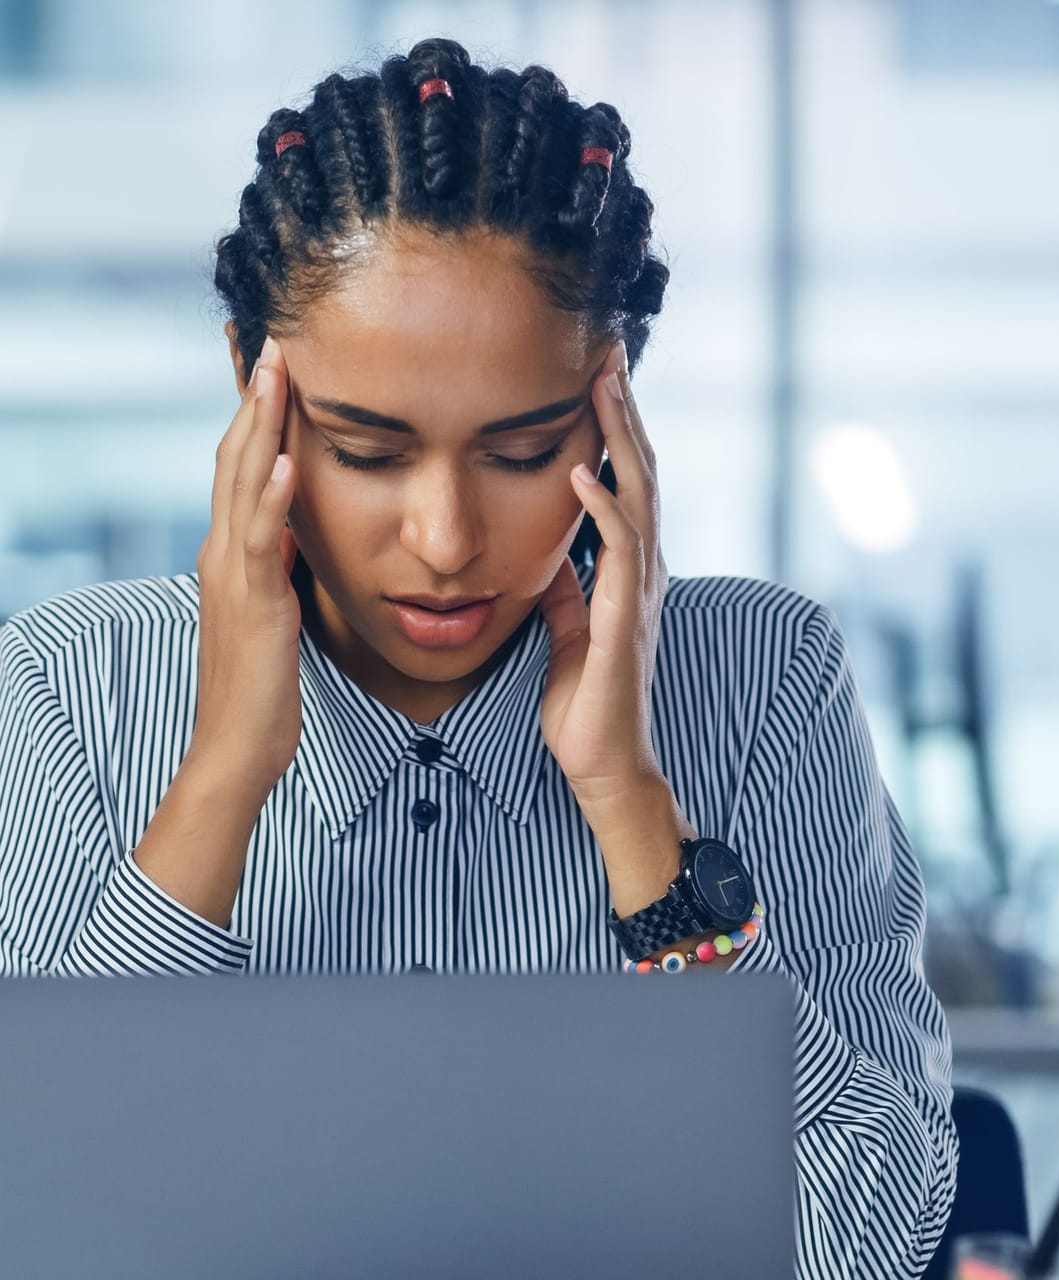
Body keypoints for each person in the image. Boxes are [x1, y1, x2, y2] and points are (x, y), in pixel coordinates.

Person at [0, 39, 955, 1279]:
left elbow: (866, 1243)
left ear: (615, 404)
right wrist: (225, 774)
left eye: (519, 452)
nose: (446, 543)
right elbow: (43, 1226)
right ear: (255, 388)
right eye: (366, 450)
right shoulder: (69, 687)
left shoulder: (764, 680)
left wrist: (634, 817)